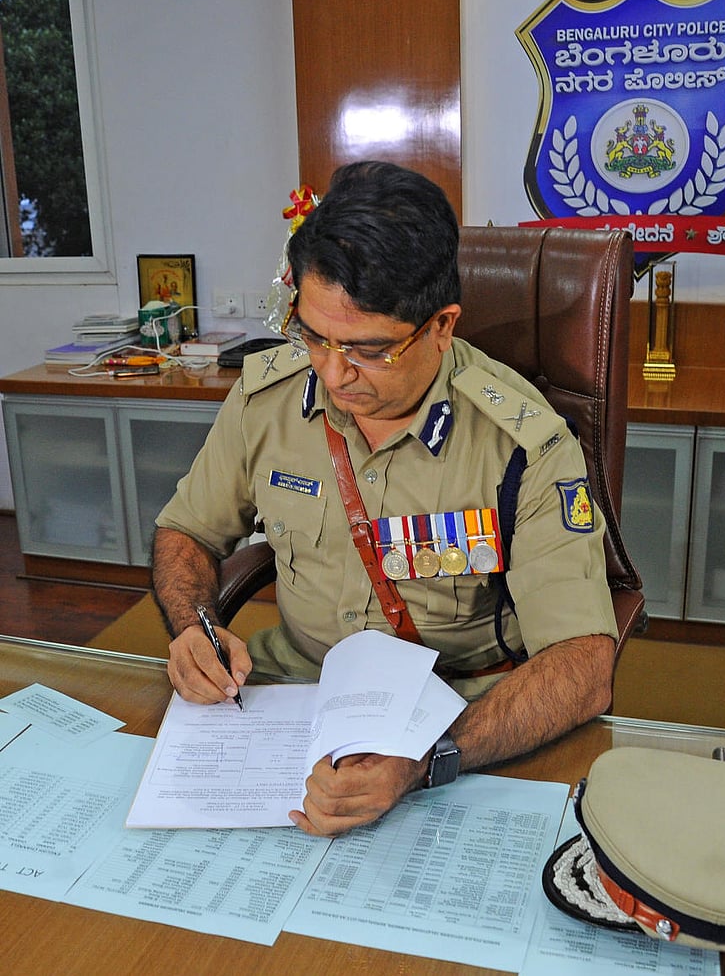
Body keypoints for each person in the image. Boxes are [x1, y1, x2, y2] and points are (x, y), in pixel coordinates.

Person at [152, 160, 618, 838]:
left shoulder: (526, 443)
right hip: (288, 706)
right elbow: (185, 532)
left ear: (440, 326)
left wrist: (428, 755)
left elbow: (583, 665)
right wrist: (194, 623)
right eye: (314, 335)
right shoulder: (265, 399)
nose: (333, 371)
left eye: (369, 349)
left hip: (457, 716)